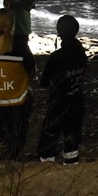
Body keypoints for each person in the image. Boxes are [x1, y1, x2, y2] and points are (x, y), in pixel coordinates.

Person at [0, 8, 35, 162]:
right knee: (14, 136)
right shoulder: (21, 48)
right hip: (15, 102)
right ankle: (10, 160)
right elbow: (30, 70)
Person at [38, 15, 88, 164]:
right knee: (71, 138)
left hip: (58, 102)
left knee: (49, 136)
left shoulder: (56, 57)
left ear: (59, 33)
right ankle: (71, 164)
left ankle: (47, 165)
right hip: (76, 100)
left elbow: (44, 82)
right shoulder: (81, 53)